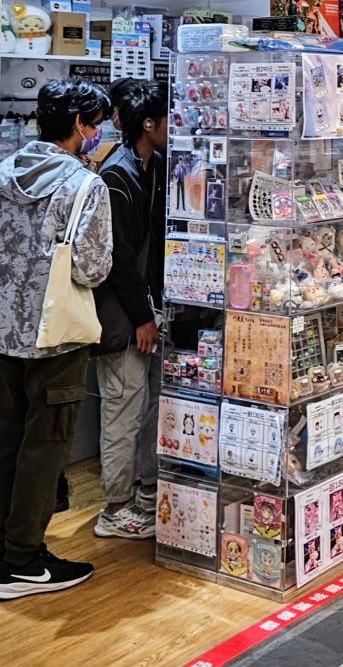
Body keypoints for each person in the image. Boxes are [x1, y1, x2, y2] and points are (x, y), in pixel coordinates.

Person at [0, 80, 113, 599]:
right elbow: (92, 268)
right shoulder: (85, 186)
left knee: (7, 441)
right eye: (95, 124)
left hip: (3, 328)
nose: (97, 134)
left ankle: (8, 548)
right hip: (56, 337)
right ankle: (21, 560)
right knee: (45, 447)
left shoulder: (5, 168)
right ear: (78, 127)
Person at [93, 79, 168, 539]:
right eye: (167, 120)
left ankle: (144, 490)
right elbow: (118, 258)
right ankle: (114, 507)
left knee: (148, 406)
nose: (174, 127)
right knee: (123, 408)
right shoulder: (116, 176)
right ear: (147, 123)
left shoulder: (154, 165)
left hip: (148, 309)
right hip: (122, 317)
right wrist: (141, 316)